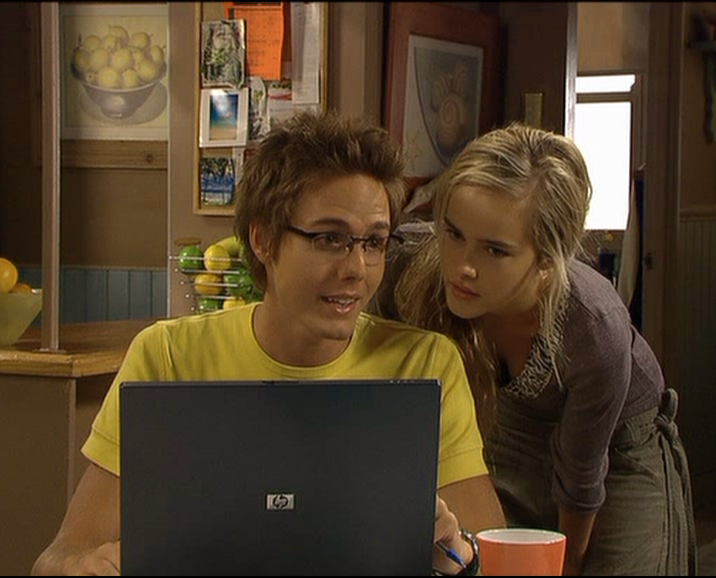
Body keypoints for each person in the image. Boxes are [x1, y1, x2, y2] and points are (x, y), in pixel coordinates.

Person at [31, 111, 505, 576]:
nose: (357, 269)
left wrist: (458, 553)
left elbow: (491, 559)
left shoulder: (424, 363)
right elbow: (57, 557)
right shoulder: (169, 356)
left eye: (374, 243)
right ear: (263, 239)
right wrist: (81, 567)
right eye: (330, 239)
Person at [384, 123, 697, 575]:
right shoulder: (409, 266)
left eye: (495, 251)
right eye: (454, 234)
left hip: (619, 444)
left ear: (548, 261)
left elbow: (581, 477)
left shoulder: (591, 326)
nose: (463, 266)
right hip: (505, 425)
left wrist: (565, 568)